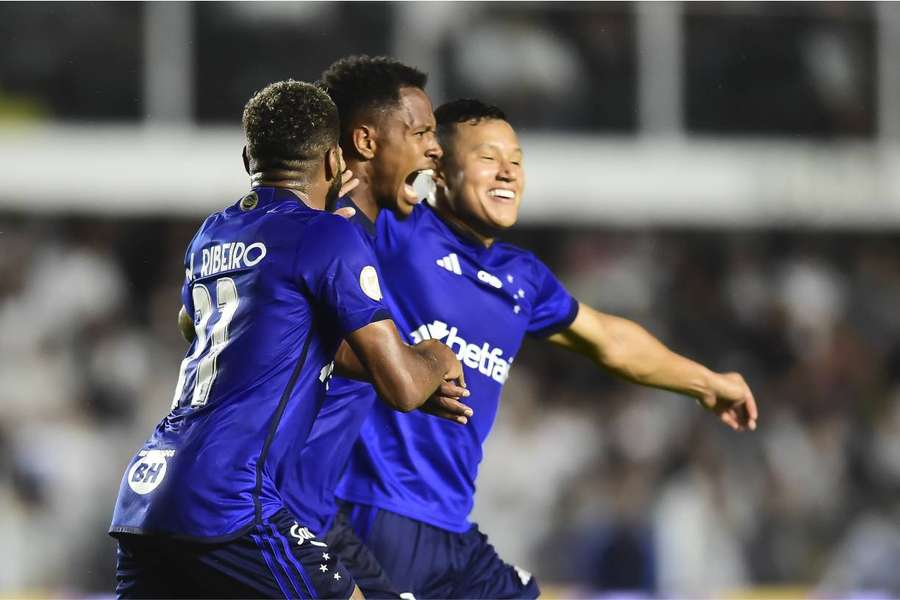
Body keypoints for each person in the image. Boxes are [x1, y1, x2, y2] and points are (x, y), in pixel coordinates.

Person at [334, 98, 759, 599]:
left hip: (451, 528)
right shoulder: (396, 231)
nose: (508, 172)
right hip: (374, 511)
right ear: (440, 170)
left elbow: (608, 341)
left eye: (516, 160)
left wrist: (707, 383)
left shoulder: (522, 277)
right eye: (488, 157)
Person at [108, 79, 466, 599]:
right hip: (230, 499)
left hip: (147, 494)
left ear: (248, 155)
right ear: (332, 161)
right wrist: (435, 355)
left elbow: (201, 331)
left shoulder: (212, 233)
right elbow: (404, 388)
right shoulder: (327, 234)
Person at [291, 55, 472, 599]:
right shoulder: (327, 231)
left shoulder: (355, 231)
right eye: (419, 132)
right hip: (278, 513)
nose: (434, 148)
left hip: (319, 509)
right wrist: (426, 359)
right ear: (366, 142)